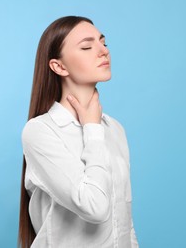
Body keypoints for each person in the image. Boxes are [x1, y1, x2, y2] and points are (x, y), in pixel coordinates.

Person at [17, 16, 138, 248]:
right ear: (59, 66)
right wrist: (91, 128)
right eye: (86, 46)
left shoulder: (114, 129)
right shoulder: (40, 131)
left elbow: (123, 218)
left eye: (103, 43)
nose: (103, 51)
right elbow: (95, 207)